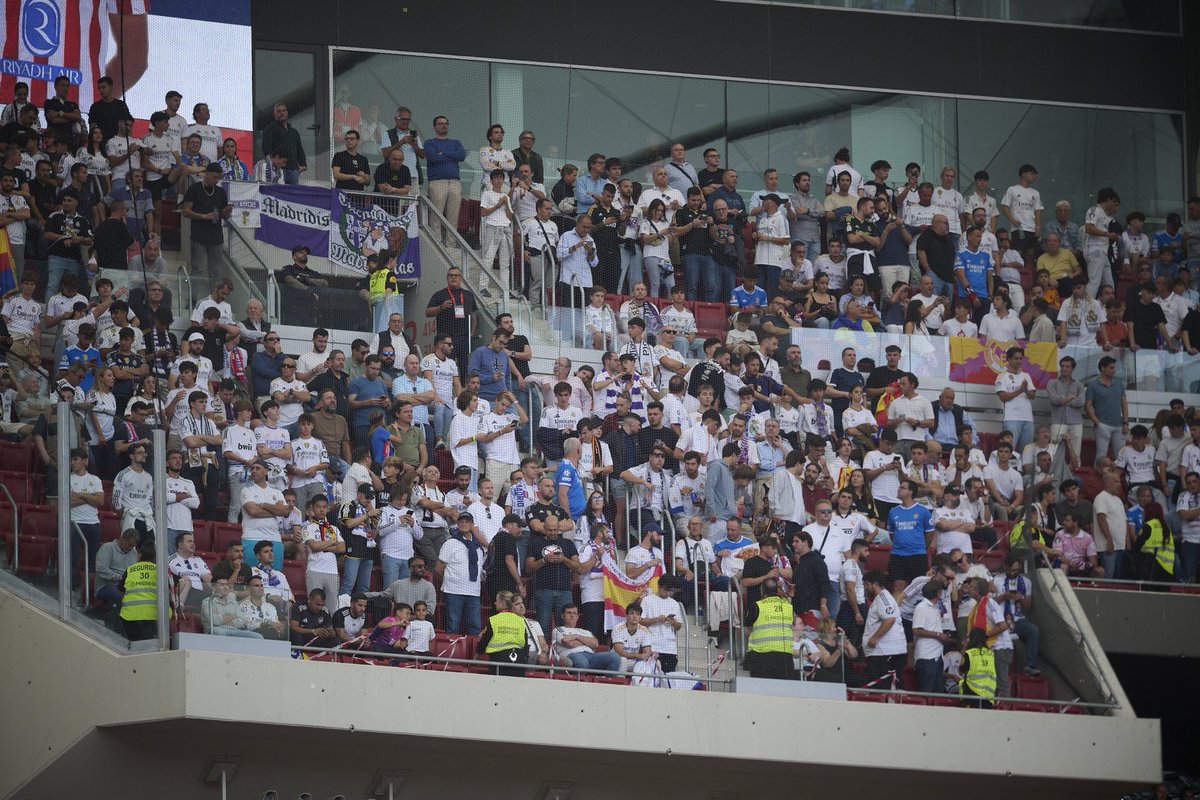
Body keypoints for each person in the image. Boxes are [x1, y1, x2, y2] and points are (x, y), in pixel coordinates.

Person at [436, 512, 489, 635]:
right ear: (458, 524)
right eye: (461, 521)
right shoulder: (450, 543)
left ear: (472, 524)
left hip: (473, 592)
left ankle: (474, 654)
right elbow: (439, 568)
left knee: (474, 627)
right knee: (452, 626)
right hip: (454, 591)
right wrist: (451, 581)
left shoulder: (478, 547)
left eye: (467, 521)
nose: (464, 523)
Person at [424, 115, 467, 245]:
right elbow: (433, 158)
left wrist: (443, 153)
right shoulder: (430, 143)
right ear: (434, 127)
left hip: (454, 182)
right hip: (438, 182)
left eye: (446, 123)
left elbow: (461, 155)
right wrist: (451, 155)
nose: (444, 125)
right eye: (441, 123)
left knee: (453, 218)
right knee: (436, 216)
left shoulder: (456, 142)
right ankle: (436, 244)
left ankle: (451, 245)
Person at [744, 577, 795, 679]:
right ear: (777, 590)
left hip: (761, 656)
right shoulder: (789, 606)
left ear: (762, 591)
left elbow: (747, 627)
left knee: (762, 691)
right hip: (786, 657)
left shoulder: (757, 606)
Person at [861, 569, 906, 682]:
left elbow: (889, 619)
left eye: (867, 584)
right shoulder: (883, 598)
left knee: (882, 688)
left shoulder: (883, 598)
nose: (866, 587)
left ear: (875, 584)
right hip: (884, 652)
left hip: (885, 652)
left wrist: (874, 638)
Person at [553, 604, 621, 672]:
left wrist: (576, 636)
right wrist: (587, 642)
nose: (572, 615)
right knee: (581, 661)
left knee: (614, 657)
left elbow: (595, 644)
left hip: (591, 656)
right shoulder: (558, 629)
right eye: (569, 613)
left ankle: (608, 681)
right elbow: (569, 643)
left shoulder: (585, 631)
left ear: (577, 616)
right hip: (571, 655)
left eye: (574, 613)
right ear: (562, 615)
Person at [119, 541, 164, 641]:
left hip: (129, 615)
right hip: (152, 615)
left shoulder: (130, 569)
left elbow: (121, 591)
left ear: (140, 555)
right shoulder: (160, 571)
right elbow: (168, 594)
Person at [477, 590, 529, 677]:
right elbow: (525, 643)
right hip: (519, 661)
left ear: (501, 603)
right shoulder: (520, 620)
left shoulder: (494, 620)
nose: (494, 603)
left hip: (499, 661)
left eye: (496, 601)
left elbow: (485, 640)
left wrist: (478, 652)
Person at [959, 628, 997, 709]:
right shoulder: (992, 654)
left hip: (972, 695)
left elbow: (960, 671)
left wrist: (965, 648)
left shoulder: (969, 654)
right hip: (988, 697)